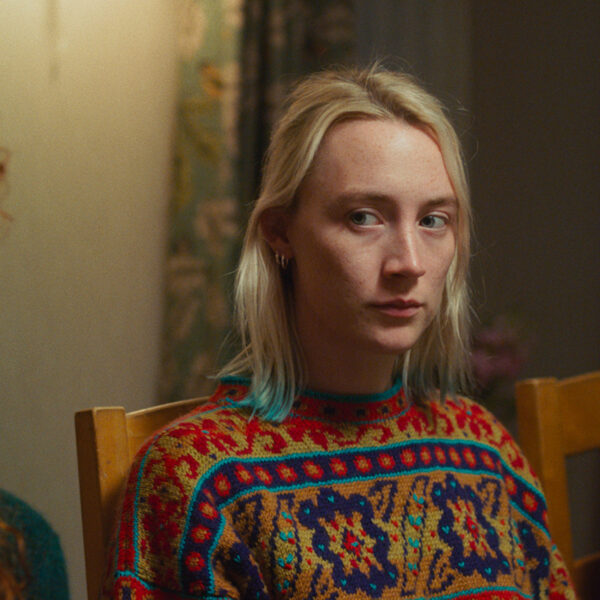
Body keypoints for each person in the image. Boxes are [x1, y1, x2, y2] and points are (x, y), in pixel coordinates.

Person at [102, 66, 575, 599]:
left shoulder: (484, 449)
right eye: (364, 217)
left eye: (433, 220)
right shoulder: (199, 478)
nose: (409, 262)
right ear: (280, 232)